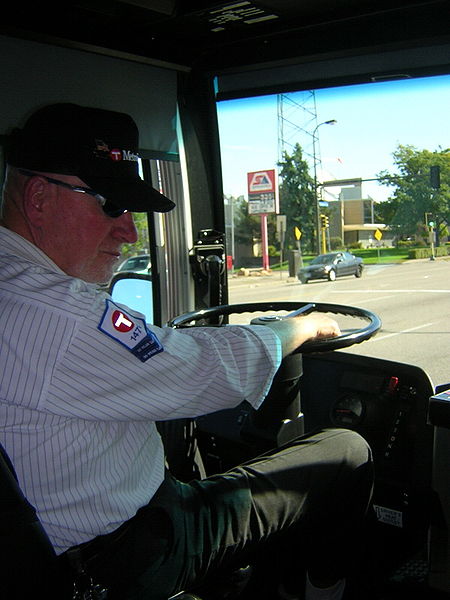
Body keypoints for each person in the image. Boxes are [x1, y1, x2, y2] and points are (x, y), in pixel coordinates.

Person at [0, 103, 373, 600]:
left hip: (59, 545)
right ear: (40, 197)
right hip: (120, 557)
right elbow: (201, 370)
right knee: (345, 454)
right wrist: (296, 328)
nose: (130, 231)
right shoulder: (58, 313)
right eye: (111, 204)